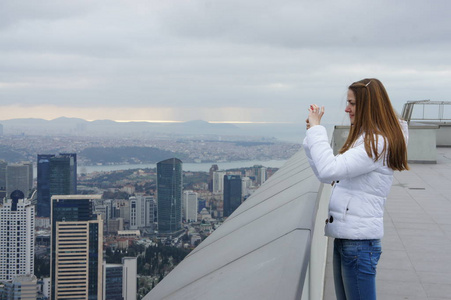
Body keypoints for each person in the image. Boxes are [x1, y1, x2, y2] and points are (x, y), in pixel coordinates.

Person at [303, 78, 409, 300]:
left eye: (352, 103)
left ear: (368, 105)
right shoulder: (368, 139)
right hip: (348, 237)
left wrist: (316, 130)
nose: (347, 108)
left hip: (358, 244)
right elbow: (328, 174)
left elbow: (328, 170)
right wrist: (311, 137)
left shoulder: (377, 143)